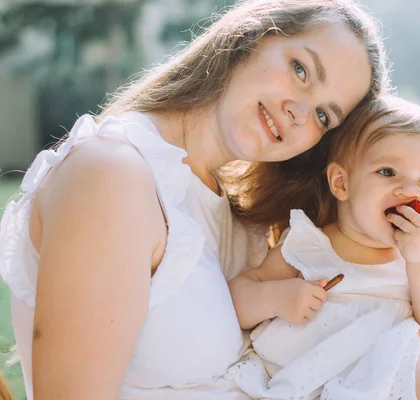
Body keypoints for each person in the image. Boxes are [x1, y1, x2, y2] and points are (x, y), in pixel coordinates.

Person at [0, 0, 388, 398]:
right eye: (300, 69)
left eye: (324, 116)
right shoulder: (113, 175)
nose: (299, 112)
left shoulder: (246, 222)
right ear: (251, 35)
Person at [227, 96, 420, 400]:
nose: (410, 190)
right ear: (341, 183)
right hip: (309, 377)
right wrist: (274, 298)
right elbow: (235, 298)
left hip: (384, 378)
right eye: (388, 172)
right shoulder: (309, 244)